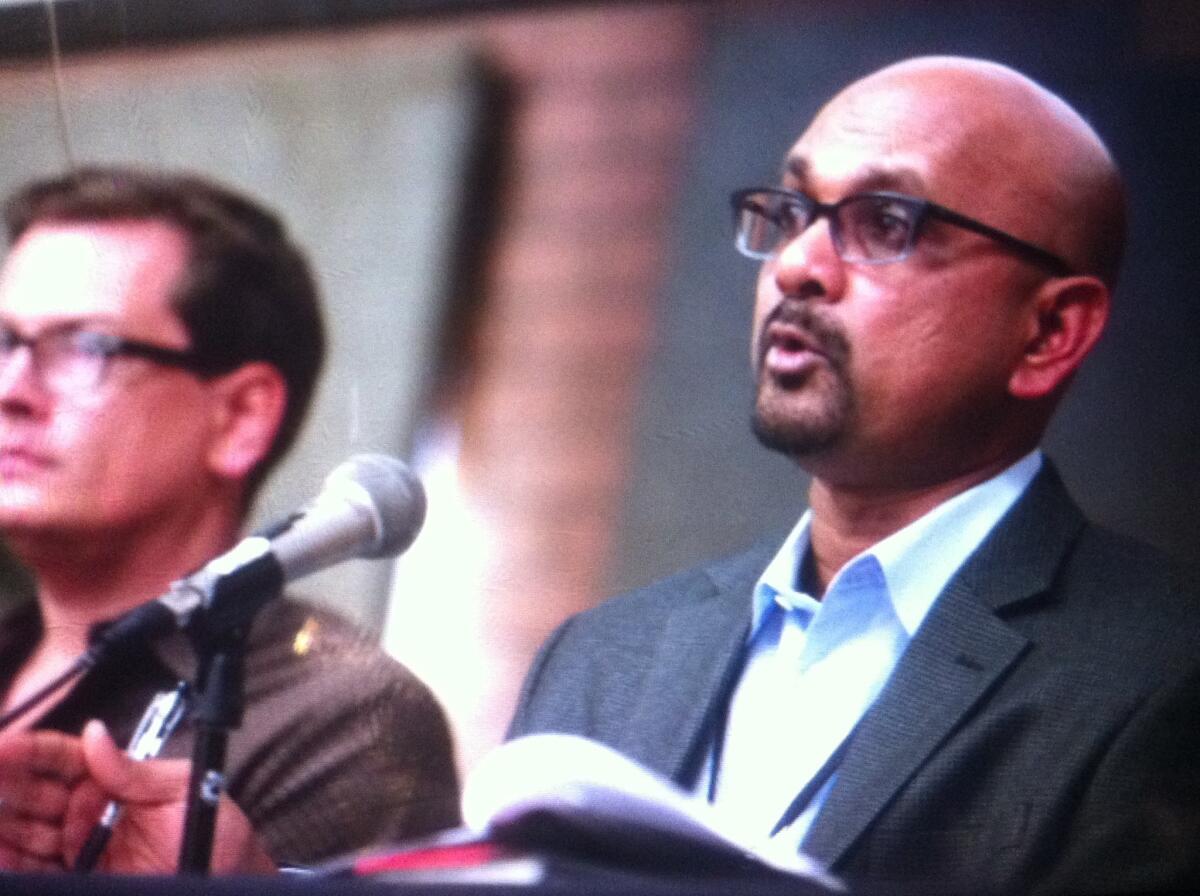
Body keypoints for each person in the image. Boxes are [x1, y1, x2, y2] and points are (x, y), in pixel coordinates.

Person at [507, 57, 1200, 894]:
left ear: (1049, 330)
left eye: (884, 223)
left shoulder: (1160, 673)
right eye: (793, 210)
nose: (798, 264)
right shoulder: (602, 658)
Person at [0, 166, 459, 872]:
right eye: (5, 343)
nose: (11, 392)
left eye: (86, 347)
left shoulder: (345, 719)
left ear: (239, 417)